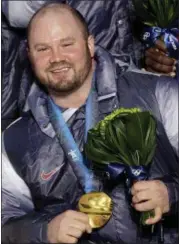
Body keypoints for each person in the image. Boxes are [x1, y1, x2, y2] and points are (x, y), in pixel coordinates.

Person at [2, 3, 179, 244]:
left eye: (67, 44)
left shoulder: (156, 93)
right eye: (42, 49)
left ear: (90, 44)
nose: (56, 58)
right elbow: (4, 226)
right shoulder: (15, 139)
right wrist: (45, 231)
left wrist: (171, 194)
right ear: (29, 55)